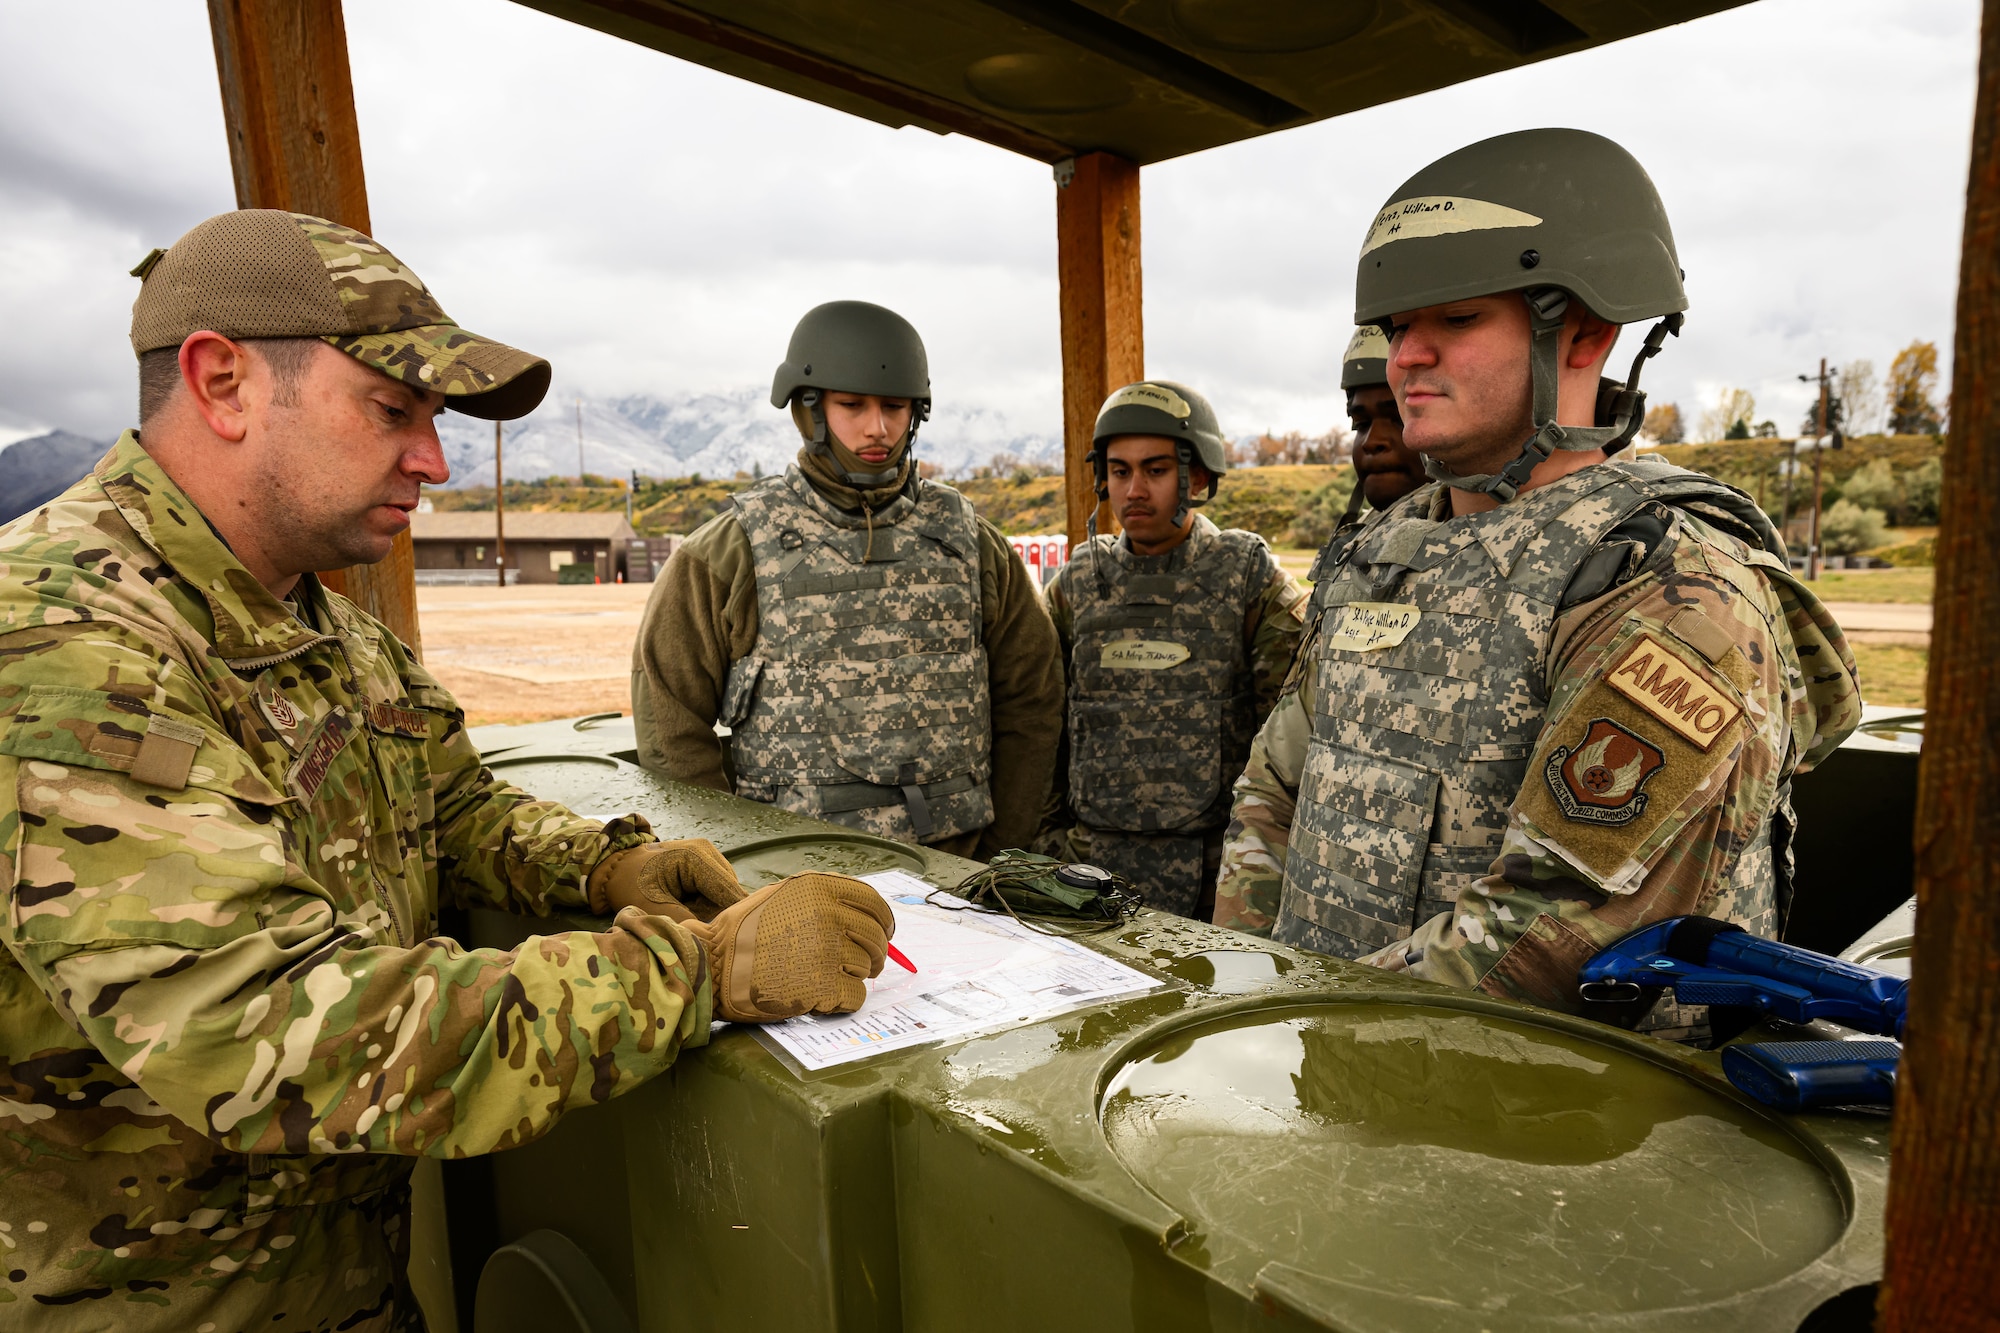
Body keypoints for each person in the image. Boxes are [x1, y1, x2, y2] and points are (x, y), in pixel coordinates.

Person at [0, 210, 894, 1329]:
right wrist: (699, 972)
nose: (431, 459)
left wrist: (611, 869)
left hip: (342, 1281)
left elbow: (450, 807)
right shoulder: (57, 640)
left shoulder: (322, 624)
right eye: (392, 410)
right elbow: (266, 1023)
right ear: (222, 382)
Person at [1212, 129, 1860, 1013]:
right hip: (1333, 1078)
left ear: (1586, 331)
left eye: (1456, 319)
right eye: (1400, 327)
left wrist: (1309, 1022)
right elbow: (1271, 792)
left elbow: (1555, 926)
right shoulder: (1385, 547)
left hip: (1549, 1121)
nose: (1404, 357)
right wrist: (1251, 998)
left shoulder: (1669, 584)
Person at [632, 301, 1063, 858]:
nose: (877, 427)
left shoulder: (971, 542)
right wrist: (732, 865)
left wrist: (998, 855)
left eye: (894, 406)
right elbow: (670, 725)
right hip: (792, 881)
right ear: (808, 409)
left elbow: (1032, 699)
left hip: (959, 877)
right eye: (852, 405)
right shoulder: (731, 549)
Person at [1039, 381, 1307, 918]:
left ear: (1198, 476)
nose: (1134, 490)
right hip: (1088, 871)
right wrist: (1047, 844)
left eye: (1155, 470)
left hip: (1213, 876)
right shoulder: (1077, 583)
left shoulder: (1247, 576)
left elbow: (1286, 736)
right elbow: (1044, 726)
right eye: (1119, 471)